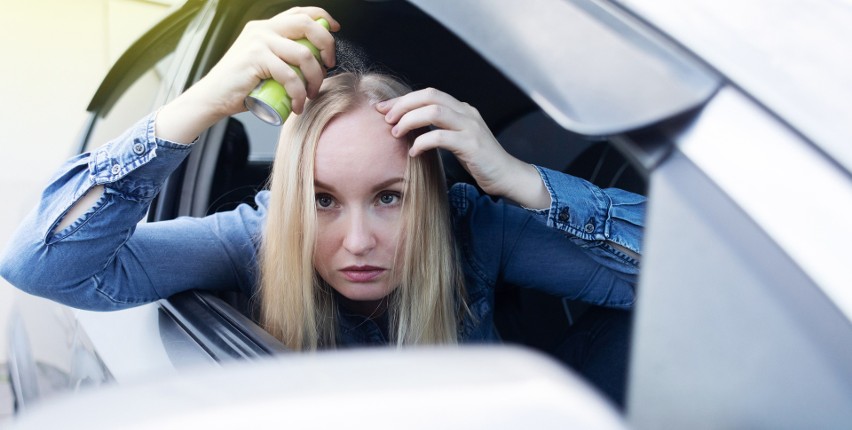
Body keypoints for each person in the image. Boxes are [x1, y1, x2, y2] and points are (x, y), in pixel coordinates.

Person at [0, 7, 643, 404]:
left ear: (427, 192)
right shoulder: (254, 239)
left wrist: (521, 178)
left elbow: (682, 287)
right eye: (323, 201)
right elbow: (42, 263)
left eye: (390, 197)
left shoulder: (471, 222)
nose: (358, 241)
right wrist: (198, 104)